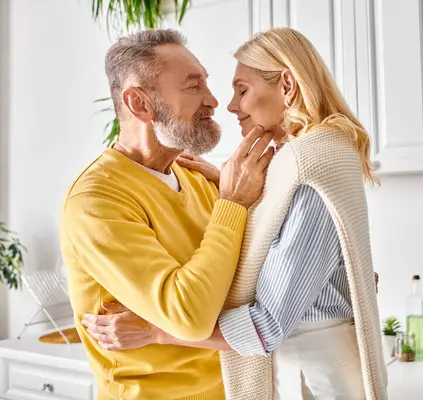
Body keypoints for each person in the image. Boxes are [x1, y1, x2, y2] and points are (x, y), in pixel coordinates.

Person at [83, 27, 388, 399]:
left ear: (288, 86)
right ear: (139, 104)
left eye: (241, 90)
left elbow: (266, 325)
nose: (225, 104)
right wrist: (228, 188)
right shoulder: (309, 157)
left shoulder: (312, 165)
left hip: (313, 375)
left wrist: (152, 331)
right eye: (195, 86)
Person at [59, 29, 274, 400]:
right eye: (193, 87)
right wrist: (232, 204)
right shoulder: (96, 200)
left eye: (207, 84)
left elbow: (256, 281)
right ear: (139, 103)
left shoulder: (200, 178)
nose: (213, 101)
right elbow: (190, 316)